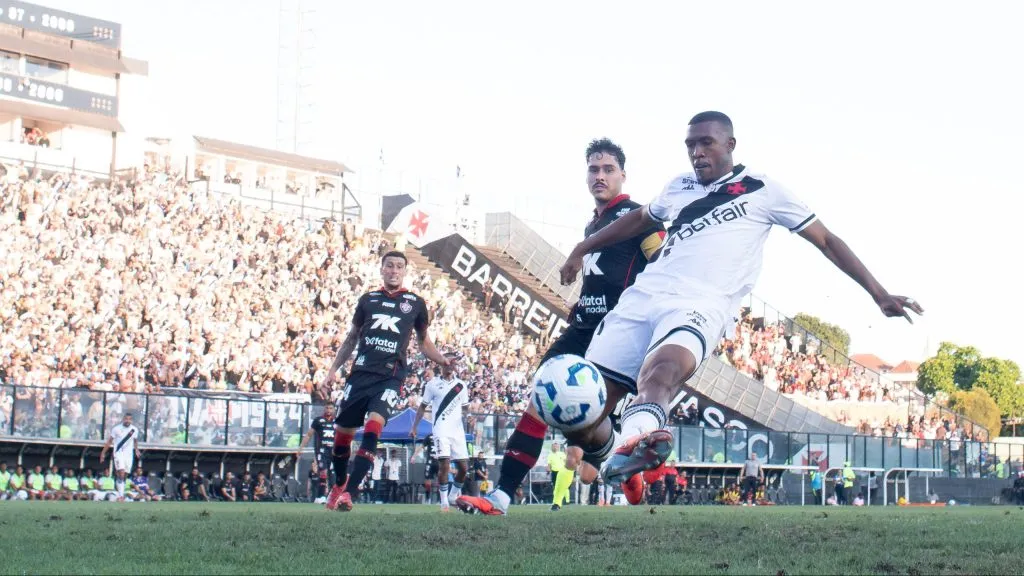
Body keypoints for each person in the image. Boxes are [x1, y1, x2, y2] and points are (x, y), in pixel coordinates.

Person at [555, 111, 923, 502]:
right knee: (586, 412)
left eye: (706, 143)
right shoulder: (679, 186)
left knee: (661, 371)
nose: (697, 153)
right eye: (690, 145)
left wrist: (878, 292)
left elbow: (827, 240)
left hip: (702, 301)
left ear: (730, 145)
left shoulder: (763, 189)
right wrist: (582, 247)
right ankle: (624, 457)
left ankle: (633, 447)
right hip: (645, 294)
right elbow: (640, 220)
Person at [457, 138, 664, 516]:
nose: (599, 176)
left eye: (607, 169)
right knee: (549, 408)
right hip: (581, 327)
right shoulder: (594, 224)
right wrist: (581, 301)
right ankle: (506, 496)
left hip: (615, 334)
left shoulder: (640, 216)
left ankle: (503, 497)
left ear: (623, 175)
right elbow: (606, 275)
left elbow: (665, 261)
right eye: (593, 169)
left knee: (572, 419)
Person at [323, 251, 452, 512]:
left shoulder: (415, 303)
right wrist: (332, 370)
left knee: (373, 428)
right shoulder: (368, 300)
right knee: (341, 440)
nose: (394, 270)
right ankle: (339, 482)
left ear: (405, 272)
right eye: (389, 266)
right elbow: (352, 338)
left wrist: (442, 360)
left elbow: (424, 341)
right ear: (382, 269)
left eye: (399, 267)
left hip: (390, 377)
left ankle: (349, 493)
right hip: (359, 376)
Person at [411, 353, 470, 511]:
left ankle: (453, 495)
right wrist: (414, 426)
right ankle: (444, 502)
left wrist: (467, 417)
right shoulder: (432, 385)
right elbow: (423, 406)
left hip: (457, 431)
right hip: (440, 430)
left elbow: (465, 408)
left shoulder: (461, 386)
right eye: (449, 363)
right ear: (442, 364)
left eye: (454, 363)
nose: (451, 366)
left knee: (464, 468)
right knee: (444, 465)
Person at [297, 402, 337, 503]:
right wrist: (300, 448)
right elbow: (309, 435)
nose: (328, 410)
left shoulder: (336, 423)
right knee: (323, 472)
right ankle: (320, 496)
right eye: (327, 408)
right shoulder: (318, 420)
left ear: (334, 410)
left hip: (332, 452)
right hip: (321, 451)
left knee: (332, 475)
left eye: (330, 408)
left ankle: (330, 497)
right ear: (324, 409)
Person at [100, 412, 142, 499]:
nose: (127, 421)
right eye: (126, 419)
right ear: (123, 419)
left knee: (125, 475)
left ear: (132, 420)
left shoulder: (134, 430)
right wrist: (103, 453)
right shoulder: (116, 429)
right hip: (119, 453)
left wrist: (137, 449)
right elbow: (109, 441)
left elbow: (135, 441)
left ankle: (119, 489)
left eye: (129, 419)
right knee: (121, 473)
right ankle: (121, 496)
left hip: (129, 455)